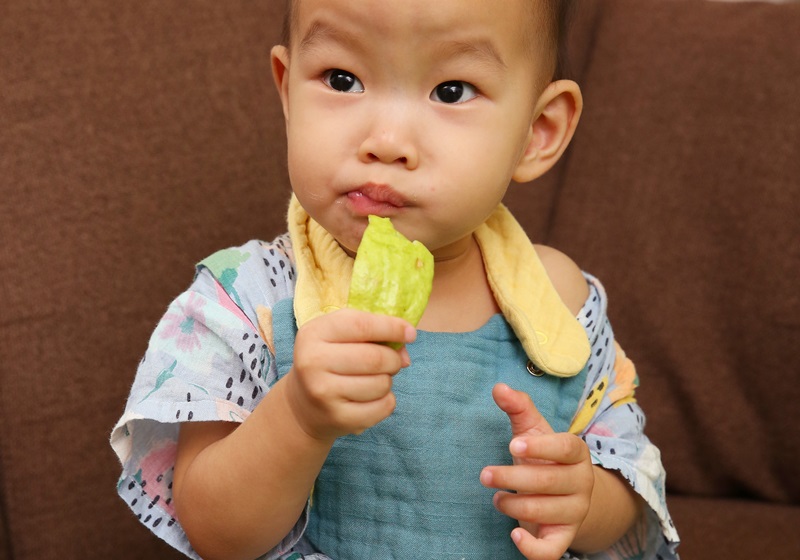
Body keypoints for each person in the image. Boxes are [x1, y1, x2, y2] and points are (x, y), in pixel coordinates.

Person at [111, 0, 680, 558]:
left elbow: (629, 488)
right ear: (287, 90)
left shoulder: (559, 304)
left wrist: (581, 501)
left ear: (538, 131)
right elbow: (215, 534)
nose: (385, 141)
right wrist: (297, 419)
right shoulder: (251, 298)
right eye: (342, 78)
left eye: (450, 91)